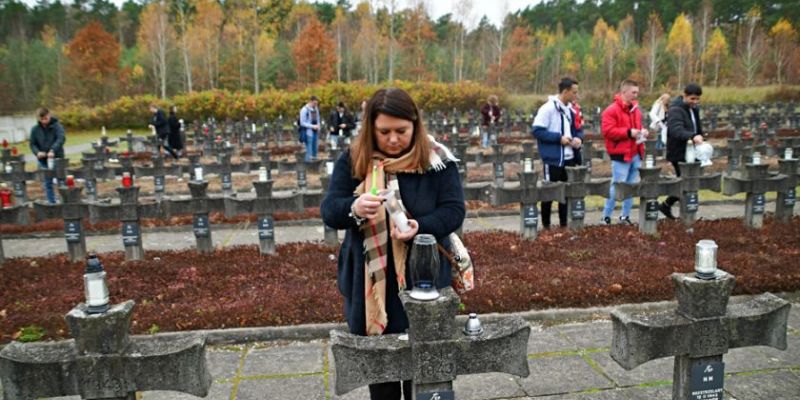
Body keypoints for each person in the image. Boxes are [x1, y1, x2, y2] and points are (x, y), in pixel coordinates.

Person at [321, 88, 465, 400]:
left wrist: (420, 227)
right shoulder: (354, 159)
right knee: (383, 374)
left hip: (423, 278)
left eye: (402, 131)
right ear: (371, 128)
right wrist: (355, 208)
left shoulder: (437, 161)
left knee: (426, 371)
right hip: (371, 283)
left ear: (416, 125)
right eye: (384, 132)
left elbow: (454, 211)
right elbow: (330, 210)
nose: (394, 139)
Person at [532, 77, 583, 229]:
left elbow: (577, 129)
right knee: (549, 193)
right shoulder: (547, 108)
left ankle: (563, 224)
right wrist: (558, 138)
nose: (576, 96)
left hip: (570, 157)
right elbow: (537, 131)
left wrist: (578, 138)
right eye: (574, 92)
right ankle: (546, 225)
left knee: (566, 194)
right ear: (565, 91)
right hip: (553, 158)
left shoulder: (571, 110)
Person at [600, 79, 647, 225]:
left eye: (637, 92)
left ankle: (625, 216)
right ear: (624, 92)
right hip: (621, 154)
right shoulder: (611, 110)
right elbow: (607, 131)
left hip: (635, 153)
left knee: (631, 186)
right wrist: (628, 132)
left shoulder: (636, 110)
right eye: (633, 92)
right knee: (617, 185)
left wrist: (642, 131)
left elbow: (637, 127)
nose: (636, 95)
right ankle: (606, 216)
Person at [659, 83, 705, 219]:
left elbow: (696, 127)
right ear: (684, 96)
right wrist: (692, 136)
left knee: (687, 181)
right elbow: (675, 130)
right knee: (686, 183)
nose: (695, 102)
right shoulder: (676, 110)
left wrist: (700, 136)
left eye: (697, 99)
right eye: (692, 99)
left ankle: (666, 206)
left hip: (692, 151)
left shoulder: (693, 108)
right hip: (679, 152)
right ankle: (686, 216)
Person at [29, 107, 65, 204]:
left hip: (58, 158)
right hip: (43, 160)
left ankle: (65, 202)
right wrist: (37, 152)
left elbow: (61, 139)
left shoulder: (57, 126)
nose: (44, 121)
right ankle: (51, 202)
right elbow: (32, 143)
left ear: (49, 115)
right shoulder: (35, 129)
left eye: (46, 118)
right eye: (42, 119)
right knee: (47, 182)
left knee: (61, 181)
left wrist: (53, 150)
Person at [299, 96, 321, 161]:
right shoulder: (304, 110)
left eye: (316, 103)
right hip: (308, 133)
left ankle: (314, 164)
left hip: (315, 132)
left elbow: (318, 118)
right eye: (314, 103)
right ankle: (308, 165)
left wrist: (318, 126)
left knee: (315, 149)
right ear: (310, 101)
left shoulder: (316, 109)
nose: (315, 105)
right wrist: (312, 126)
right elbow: (302, 123)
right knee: (309, 150)